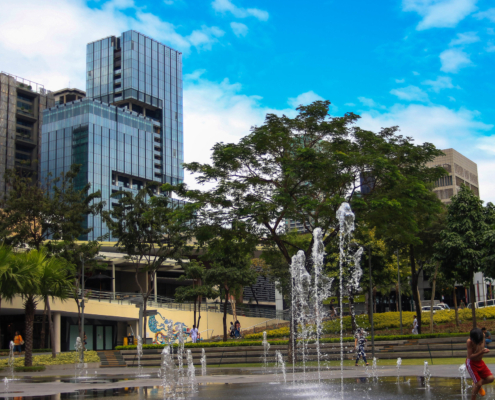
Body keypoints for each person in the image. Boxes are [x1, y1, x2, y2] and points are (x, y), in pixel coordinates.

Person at [466, 327, 494, 399]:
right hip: (471, 364)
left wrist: (484, 349)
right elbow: (470, 356)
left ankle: (476, 384)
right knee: (478, 384)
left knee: (491, 378)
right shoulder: (469, 342)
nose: (480, 343)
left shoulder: (483, 335)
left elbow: (481, 347)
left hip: (480, 362)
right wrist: (481, 352)